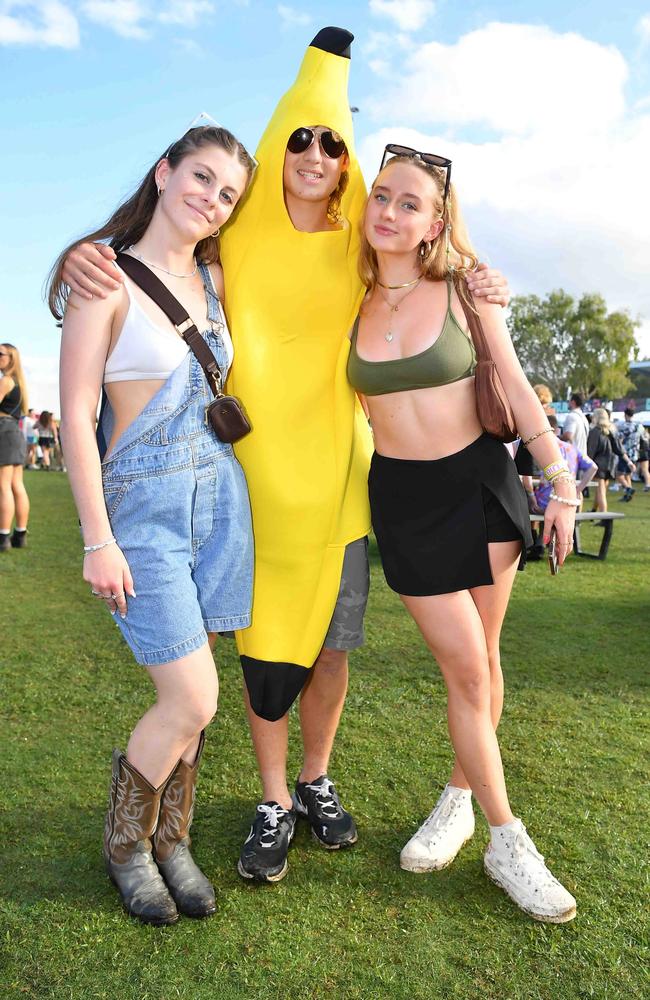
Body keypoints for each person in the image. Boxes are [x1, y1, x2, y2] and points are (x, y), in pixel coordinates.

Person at [60, 28, 513, 886]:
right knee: (266, 652)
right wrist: (93, 253)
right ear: (276, 149)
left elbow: (428, 251)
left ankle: (314, 781)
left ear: (348, 165)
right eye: (298, 137)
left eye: (331, 142)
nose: (313, 152)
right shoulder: (232, 245)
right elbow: (152, 265)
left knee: (332, 647)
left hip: (342, 487)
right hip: (249, 491)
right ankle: (271, 798)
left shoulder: (357, 243)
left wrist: (484, 279)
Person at [347, 148, 579, 923]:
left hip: (480, 485)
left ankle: (466, 806)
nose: (389, 211)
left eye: (410, 203)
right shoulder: (343, 295)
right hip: (405, 498)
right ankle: (505, 834)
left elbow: (511, 382)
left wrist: (561, 480)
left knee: (482, 662)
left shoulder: (464, 292)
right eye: (382, 195)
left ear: (435, 222)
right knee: (468, 667)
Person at [50, 122, 256, 925]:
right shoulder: (104, 278)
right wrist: (96, 538)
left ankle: (173, 838)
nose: (212, 199)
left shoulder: (214, 277)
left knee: (197, 693)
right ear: (165, 172)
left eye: (228, 193)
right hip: (142, 509)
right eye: (201, 177)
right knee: (192, 697)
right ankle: (128, 847)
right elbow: (75, 414)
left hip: (219, 505)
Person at [0, 343, 30, 551]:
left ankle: (3, 538)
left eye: (0, 353)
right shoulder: (19, 383)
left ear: (11, 358)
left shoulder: (6, 381)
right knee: (16, 485)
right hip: (15, 433)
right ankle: (20, 534)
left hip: (4, 431)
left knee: (3, 486)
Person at [534, 415, 596, 510]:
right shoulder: (572, 448)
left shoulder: (539, 448)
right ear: (556, 429)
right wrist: (577, 490)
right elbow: (593, 467)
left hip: (545, 501)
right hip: (567, 499)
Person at [587, 408, 631, 513]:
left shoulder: (595, 432)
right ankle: (594, 510)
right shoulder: (611, 430)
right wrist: (629, 461)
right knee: (601, 491)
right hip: (610, 465)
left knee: (601, 491)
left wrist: (587, 466)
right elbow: (618, 448)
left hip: (599, 465)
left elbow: (590, 451)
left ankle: (604, 517)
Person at [615, 407, 642, 502]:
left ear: (625, 414)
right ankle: (628, 495)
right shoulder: (639, 426)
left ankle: (628, 488)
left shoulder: (623, 426)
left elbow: (619, 438)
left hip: (625, 453)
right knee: (628, 475)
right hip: (635, 453)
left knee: (619, 475)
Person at [562, 392, 589, 457]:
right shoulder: (583, 417)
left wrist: (557, 438)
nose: (567, 403)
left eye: (569, 401)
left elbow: (568, 436)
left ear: (573, 402)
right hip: (583, 456)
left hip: (573, 457)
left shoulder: (571, 416)